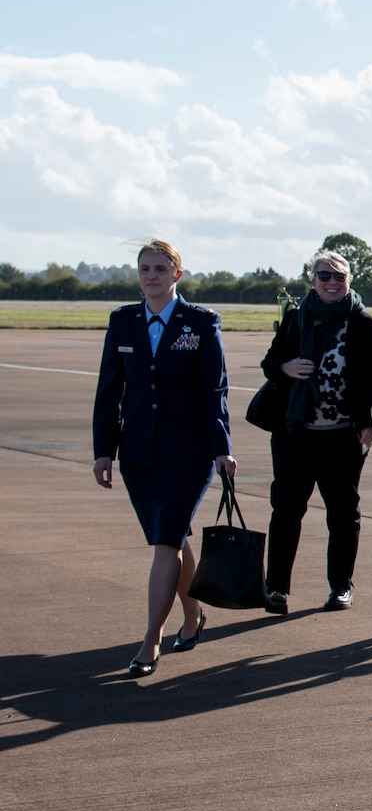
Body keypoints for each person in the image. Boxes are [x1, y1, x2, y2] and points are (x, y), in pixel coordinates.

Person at [91, 237, 237, 675]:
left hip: (188, 453)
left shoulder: (201, 322)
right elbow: (109, 391)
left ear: (177, 274)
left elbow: (215, 390)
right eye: (144, 269)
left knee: (165, 543)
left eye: (159, 269)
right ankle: (193, 618)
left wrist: (221, 450)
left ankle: (150, 640)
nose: (151, 277)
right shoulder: (123, 323)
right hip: (138, 454)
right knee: (171, 538)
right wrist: (104, 452)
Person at [259, 249, 372, 614]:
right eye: (324, 275)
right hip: (295, 433)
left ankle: (340, 587)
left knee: (343, 514)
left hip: (342, 435)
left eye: (339, 277)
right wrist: (286, 367)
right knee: (286, 510)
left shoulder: (363, 324)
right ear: (312, 280)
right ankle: (276, 589)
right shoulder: (295, 320)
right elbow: (269, 364)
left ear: (349, 281)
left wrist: (371, 424)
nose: (332, 282)